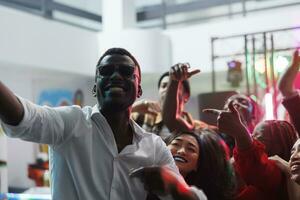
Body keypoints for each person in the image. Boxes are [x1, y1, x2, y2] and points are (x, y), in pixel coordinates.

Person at [0, 48, 204, 200]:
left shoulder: (154, 147)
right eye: (106, 71)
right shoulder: (71, 123)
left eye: (126, 71)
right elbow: (26, 118)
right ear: (95, 89)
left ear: (139, 90)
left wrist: (175, 187)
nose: (115, 76)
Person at [204, 101, 288, 200]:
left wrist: (240, 133)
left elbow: (256, 164)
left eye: (258, 137)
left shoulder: (276, 173)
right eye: (251, 136)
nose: (252, 140)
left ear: (278, 147)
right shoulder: (234, 159)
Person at [162, 63, 215, 136]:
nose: (166, 90)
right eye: (163, 86)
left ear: (186, 96)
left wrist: (174, 81)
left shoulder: (199, 128)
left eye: (169, 86)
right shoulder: (145, 118)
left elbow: (171, 119)